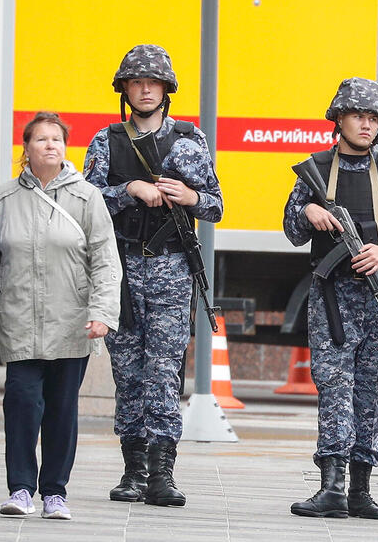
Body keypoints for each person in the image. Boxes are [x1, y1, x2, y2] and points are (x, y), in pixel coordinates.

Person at [83, 44, 223, 508]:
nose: (145, 89)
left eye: (154, 82)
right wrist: (129, 189)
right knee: (127, 373)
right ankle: (133, 471)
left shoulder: (189, 140)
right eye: (136, 82)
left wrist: (188, 196)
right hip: (119, 269)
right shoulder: (106, 141)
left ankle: (162, 473)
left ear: (166, 89)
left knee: (164, 370)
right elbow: (86, 203)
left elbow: (216, 205)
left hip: (170, 268)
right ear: (124, 89)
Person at [284, 77, 378, 521]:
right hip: (332, 296)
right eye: (357, 116)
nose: (366, 125)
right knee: (334, 387)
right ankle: (332, 486)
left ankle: (361, 488)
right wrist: (308, 211)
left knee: (369, 390)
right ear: (338, 120)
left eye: (373, 118)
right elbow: (291, 228)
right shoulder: (316, 168)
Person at [0, 111, 121, 521]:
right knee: (22, 404)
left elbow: (105, 260)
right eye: (40, 139)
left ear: (65, 147)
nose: (49, 145)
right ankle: (21, 488)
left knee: (62, 409)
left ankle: (55, 493)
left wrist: (102, 313)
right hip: (19, 317)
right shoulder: (5, 197)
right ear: (26, 148)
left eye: (56, 140)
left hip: (72, 320)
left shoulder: (86, 197)